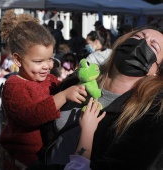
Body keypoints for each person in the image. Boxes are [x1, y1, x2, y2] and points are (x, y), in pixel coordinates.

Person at [47, 26, 163, 170]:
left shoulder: (151, 115)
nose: (142, 43)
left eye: (153, 46)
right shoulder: (78, 79)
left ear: (157, 72)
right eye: (139, 37)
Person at [0, 10, 87, 170]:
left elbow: (59, 88)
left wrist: (73, 82)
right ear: (18, 59)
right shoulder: (14, 86)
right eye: (39, 61)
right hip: (23, 158)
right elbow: (30, 116)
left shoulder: (48, 79)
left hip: (46, 149)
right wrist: (64, 95)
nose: (47, 66)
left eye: (50, 59)